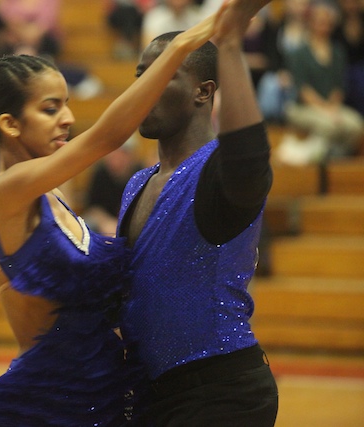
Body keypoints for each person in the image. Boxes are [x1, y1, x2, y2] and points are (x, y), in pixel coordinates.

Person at [0, 6, 227, 425]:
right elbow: (105, 138)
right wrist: (178, 48)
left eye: (66, 105)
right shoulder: (5, 190)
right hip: (53, 405)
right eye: (50, 109)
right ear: (11, 124)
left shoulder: (49, 192)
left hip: (106, 394)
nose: (67, 119)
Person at [117, 0, 279, 425]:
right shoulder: (136, 183)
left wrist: (229, 45)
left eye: (161, 76)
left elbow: (249, 159)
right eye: (140, 76)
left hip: (222, 393)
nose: (143, 88)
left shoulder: (219, 168)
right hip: (151, 393)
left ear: (203, 91)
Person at [284, 0, 364, 162]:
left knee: (356, 125)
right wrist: (325, 110)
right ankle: (310, 160)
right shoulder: (299, 52)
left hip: (332, 107)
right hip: (303, 107)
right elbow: (303, 89)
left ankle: (332, 159)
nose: (324, 25)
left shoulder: (338, 51)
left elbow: (339, 86)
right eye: (320, 21)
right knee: (329, 126)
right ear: (311, 22)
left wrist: (333, 107)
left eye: (328, 22)